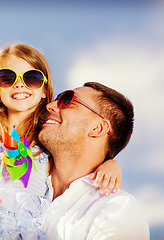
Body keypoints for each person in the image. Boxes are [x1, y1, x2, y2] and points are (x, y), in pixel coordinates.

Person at [0, 44, 122, 240]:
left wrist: (111, 164)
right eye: (7, 78)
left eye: (32, 78)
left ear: (44, 90)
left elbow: (78, 167)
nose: (19, 84)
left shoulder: (48, 147)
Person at [39, 82, 150, 239]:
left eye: (67, 100)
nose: (50, 106)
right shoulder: (19, 183)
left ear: (98, 128)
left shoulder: (115, 210)